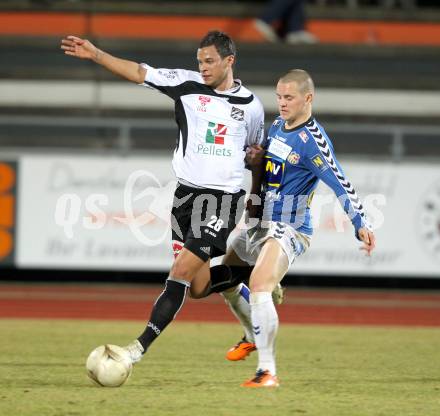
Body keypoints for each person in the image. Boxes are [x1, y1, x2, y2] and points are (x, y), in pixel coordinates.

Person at [60, 31, 266, 364]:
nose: (203, 68)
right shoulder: (185, 84)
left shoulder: (251, 107)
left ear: (230, 61)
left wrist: (255, 202)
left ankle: (134, 351)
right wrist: (97, 54)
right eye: (199, 61)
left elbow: (254, 156)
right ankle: (254, 274)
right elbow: (140, 72)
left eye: (210, 61)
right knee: (198, 288)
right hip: (185, 199)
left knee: (179, 272)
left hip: (221, 201)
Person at [191, 69, 376, 387]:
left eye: (289, 97)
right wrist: (254, 160)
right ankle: (252, 331)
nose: (282, 103)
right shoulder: (277, 126)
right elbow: (261, 163)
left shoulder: (312, 141)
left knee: (260, 284)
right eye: (279, 96)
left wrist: (360, 222)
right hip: (258, 222)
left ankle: (267, 372)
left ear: (308, 98)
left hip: (289, 227)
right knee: (211, 281)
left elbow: (339, 181)